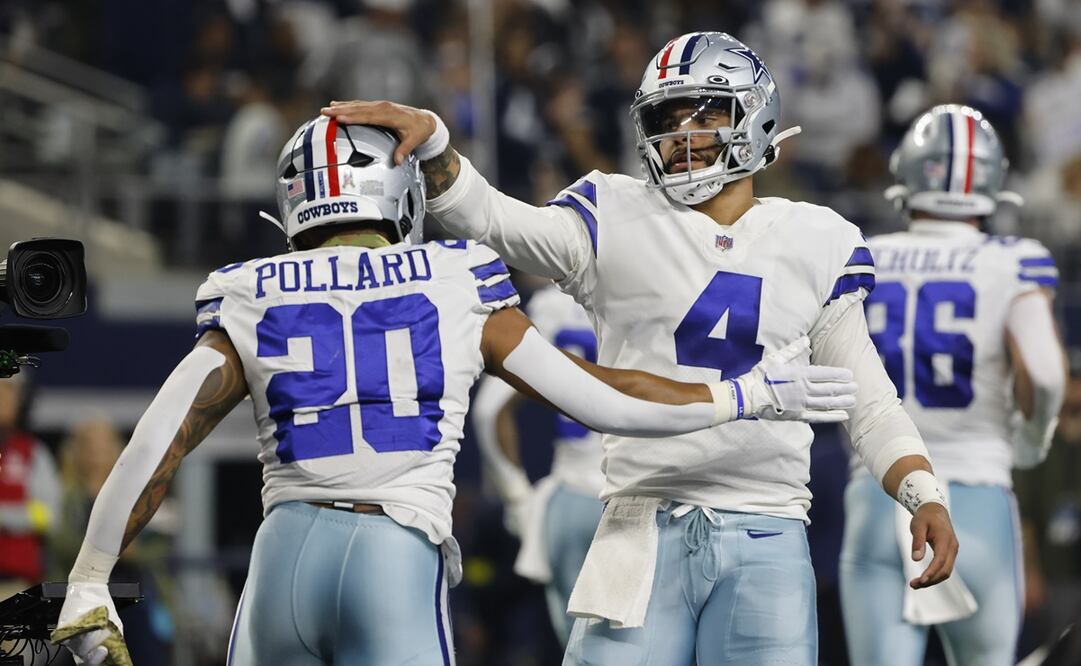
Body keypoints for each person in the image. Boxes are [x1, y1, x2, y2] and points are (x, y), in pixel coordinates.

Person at [50, 116, 858, 665]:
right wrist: (746, 397)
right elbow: (598, 397)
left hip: (282, 554)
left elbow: (159, 436)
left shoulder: (252, 287)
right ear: (397, 192)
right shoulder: (451, 276)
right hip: (393, 554)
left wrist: (90, 577)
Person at [322, 30, 961, 665]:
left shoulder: (816, 237)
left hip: (767, 525)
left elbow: (870, 405)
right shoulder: (615, 211)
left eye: (704, 112)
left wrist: (923, 493)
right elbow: (495, 221)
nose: (681, 134)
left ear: (755, 114)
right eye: (667, 116)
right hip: (640, 521)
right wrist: (437, 147)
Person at [841, 104, 1067, 666]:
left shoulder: (865, 255)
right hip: (976, 495)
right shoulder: (1011, 261)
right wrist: (1034, 441)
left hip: (879, 492)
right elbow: (1043, 371)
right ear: (992, 179)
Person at [471, 283, 603, 645]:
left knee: (580, 649)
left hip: (573, 498)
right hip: (650, 499)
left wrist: (518, 500)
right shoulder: (660, 278)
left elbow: (489, 411)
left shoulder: (554, 303)